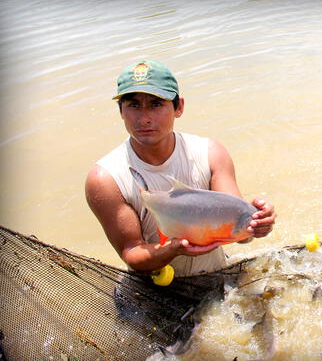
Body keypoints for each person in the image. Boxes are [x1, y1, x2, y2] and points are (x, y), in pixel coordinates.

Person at [85, 60, 276, 277]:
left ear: (179, 107)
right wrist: (174, 249)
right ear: (121, 111)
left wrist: (258, 225)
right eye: (133, 105)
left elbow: (241, 231)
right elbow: (131, 252)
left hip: (216, 273)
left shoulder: (210, 153)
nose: (144, 118)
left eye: (156, 104)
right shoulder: (105, 178)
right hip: (151, 287)